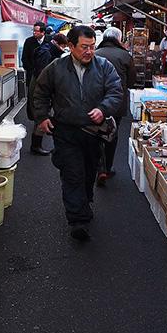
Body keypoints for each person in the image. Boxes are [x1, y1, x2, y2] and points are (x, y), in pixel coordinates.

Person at [33, 25, 123, 241]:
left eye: (92, 47)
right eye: (84, 47)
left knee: (89, 170)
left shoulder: (104, 66)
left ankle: (84, 200)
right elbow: (40, 92)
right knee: (73, 173)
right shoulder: (56, 67)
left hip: (93, 132)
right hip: (65, 130)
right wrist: (42, 117)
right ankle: (77, 220)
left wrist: (103, 109)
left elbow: (116, 91)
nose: (89, 52)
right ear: (71, 46)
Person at [94, 26, 134, 185]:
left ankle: (100, 167)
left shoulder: (95, 53)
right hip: (116, 102)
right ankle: (107, 167)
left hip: (96, 102)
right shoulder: (125, 56)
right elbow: (131, 80)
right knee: (112, 133)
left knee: (96, 132)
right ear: (118, 39)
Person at [22, 21, 49, 155]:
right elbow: (24, 59)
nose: (34, 33)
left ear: (43, 32)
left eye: (37, 31)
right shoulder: (29, 42)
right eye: (34, 30)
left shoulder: (49, 41)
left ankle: (38, 124)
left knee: (39, 103)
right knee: (33, 101)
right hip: (32, 76)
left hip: (45, 79)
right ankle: (35, 119)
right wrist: (32, 70)